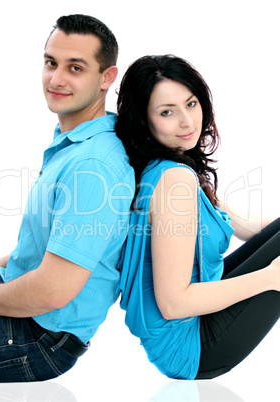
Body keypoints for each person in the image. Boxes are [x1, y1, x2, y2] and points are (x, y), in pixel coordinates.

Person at [0, 14, 135, 382]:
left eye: (75, 67)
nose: (56, 79)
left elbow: (52, 291)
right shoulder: (76, 143)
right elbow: (56, 242)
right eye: (50, 63)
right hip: (18, 305)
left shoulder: (93, 166)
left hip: (36, 337)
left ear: (107, 77)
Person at [115, 54, 280, 380]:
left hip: (195, 324)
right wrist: (271, 278)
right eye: (166, 112)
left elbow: (241, 223)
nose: (187, 122)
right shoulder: (173, 181)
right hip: (194, 344)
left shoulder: (169, 168)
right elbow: (173, 304)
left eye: (190, 104)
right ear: (143, 120)